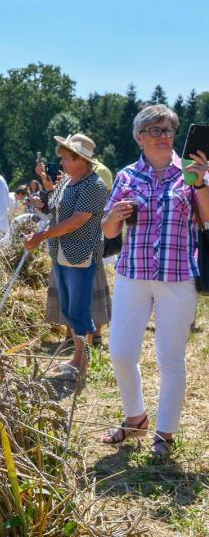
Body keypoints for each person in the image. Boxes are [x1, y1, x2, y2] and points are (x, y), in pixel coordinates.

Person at [100, 104, 209, 459]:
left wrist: (202, 182)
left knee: (170, 358)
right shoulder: (127, 176)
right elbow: (109, 231)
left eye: (169, 130)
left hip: (177, 276)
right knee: (120, 353)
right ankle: (136, 418)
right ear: (139, 137)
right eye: (155, 130)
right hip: (133, 273)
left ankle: (165, 432)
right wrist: (113, 217)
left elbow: (208, 219)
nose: (164, 136)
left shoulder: (191, 174)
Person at [24, 134, 107, 379]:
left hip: (80, 255)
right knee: (70, 309)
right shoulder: (67, 182)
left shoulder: (94, 185)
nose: (61, 163)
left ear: (80, 159)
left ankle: (82, 366)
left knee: (80, 311)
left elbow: (77, 220)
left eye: (65, 158)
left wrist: (42, 235)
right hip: (61, 253)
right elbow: (56, 206)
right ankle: (75, 360)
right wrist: (43, 205)